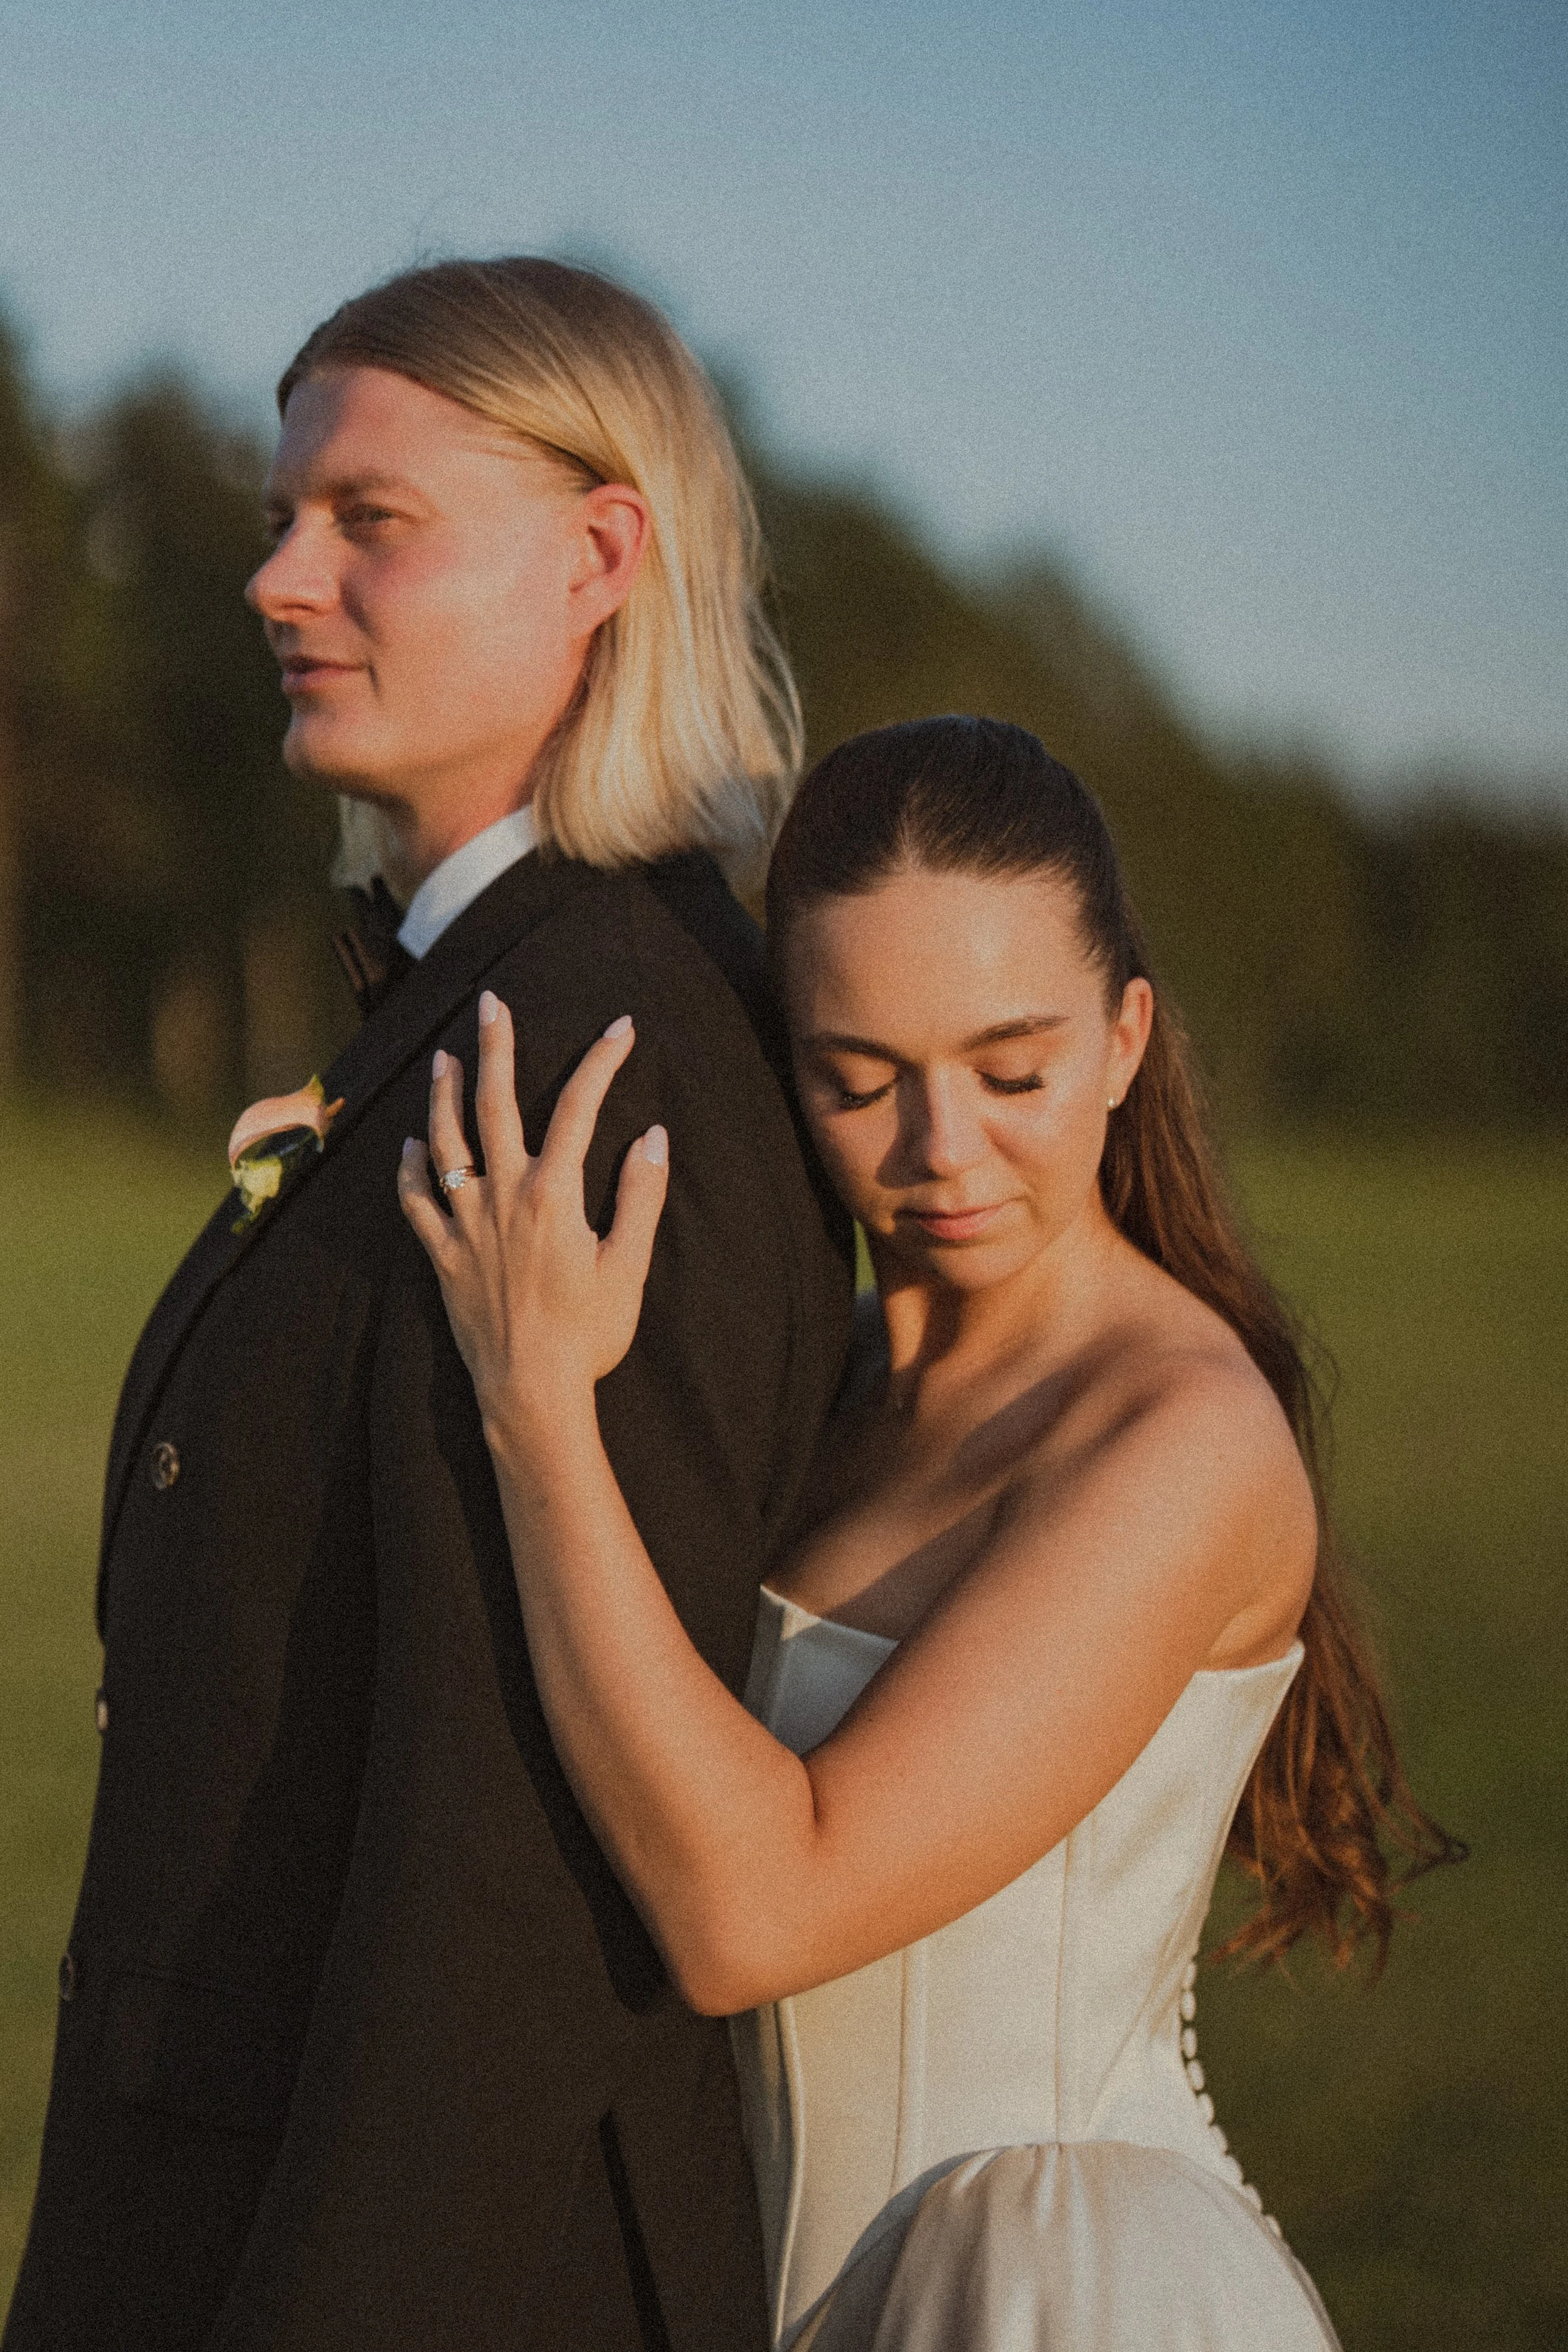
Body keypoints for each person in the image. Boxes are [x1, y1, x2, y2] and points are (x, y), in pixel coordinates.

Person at [4, 260, 852, 2352]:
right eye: (284, 519)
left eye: (368, 522)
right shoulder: (471, 1009)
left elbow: (515, 1888)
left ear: (599, 554)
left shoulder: (605, 1058)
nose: (283, 580)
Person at [401, 716, 1460, 2351]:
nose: (938, 1150)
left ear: (1121, 1040)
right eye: (858, 1077)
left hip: (1051, 2297)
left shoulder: (1175, 1439)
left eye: (1008, 1068)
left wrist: (536, 1413)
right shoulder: (816, 1394)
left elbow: (754, 1910)